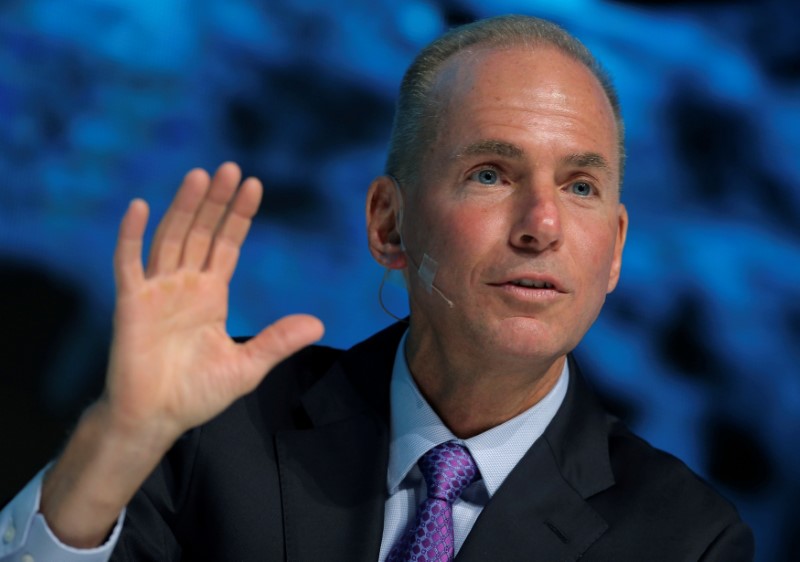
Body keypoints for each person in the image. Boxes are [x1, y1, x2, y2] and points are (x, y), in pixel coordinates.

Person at [0, 14, 753, 562]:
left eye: (581, 185)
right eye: (490, 174)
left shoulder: (688, 539)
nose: (543, 224)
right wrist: (122, 438)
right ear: (389, 225)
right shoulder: (216, 430)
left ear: (615, 250)